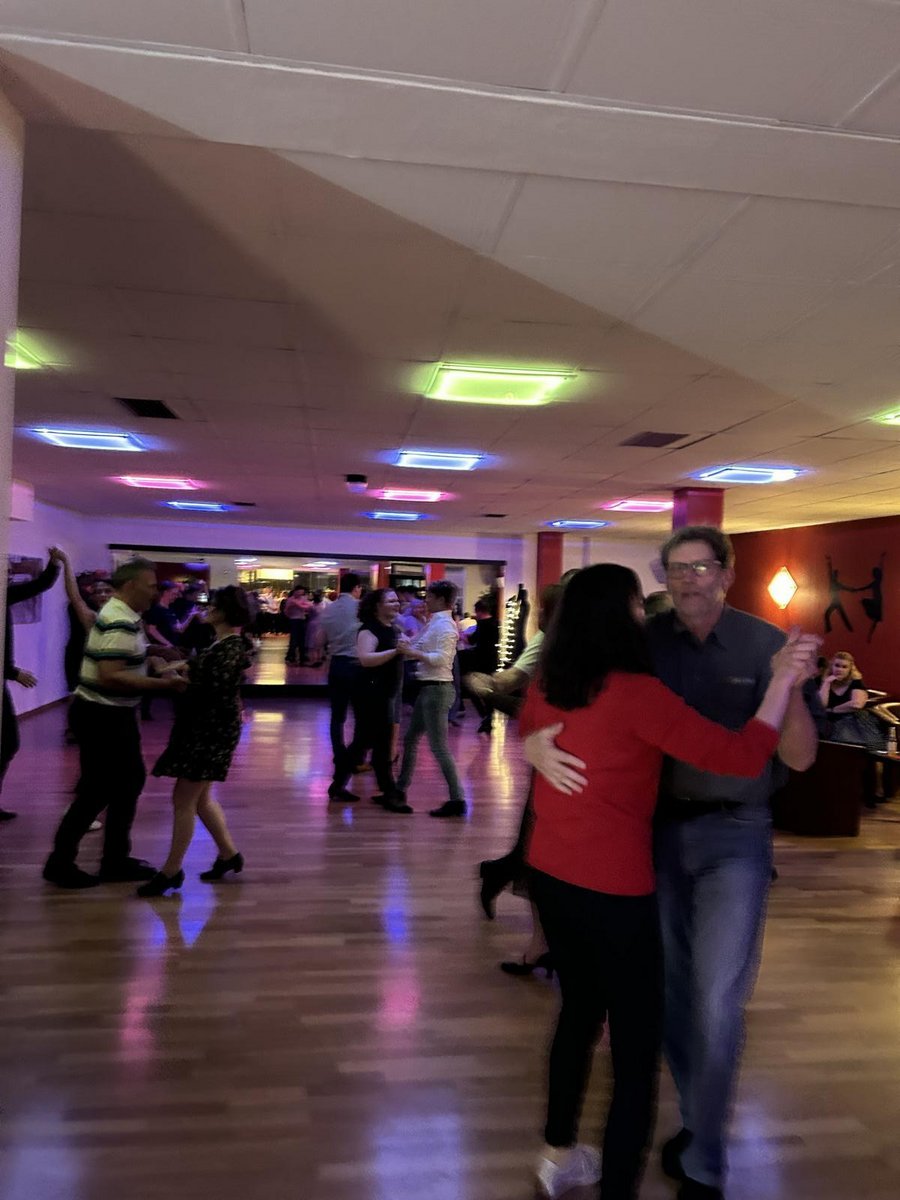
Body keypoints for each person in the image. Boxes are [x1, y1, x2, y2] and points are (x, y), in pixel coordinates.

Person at [524, 527, 819, 1200]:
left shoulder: (760, 644)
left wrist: (787, 683)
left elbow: (791, 759)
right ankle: (624, 1175)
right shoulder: (638, 666)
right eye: (670, 572)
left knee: (653, 1008)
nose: (683, 581)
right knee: (643, 1029)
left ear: (727, 572)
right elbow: (737, 753)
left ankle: (602, 1153)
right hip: (631, 860)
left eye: (699, 567)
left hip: (669, 849)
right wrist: (533, 745)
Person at [43, 558, 187, 889]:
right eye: (151, 586)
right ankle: (61, 863)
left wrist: (153, 651)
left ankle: (115, 860)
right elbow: (110, 675)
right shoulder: (120, 619)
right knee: (97, 791)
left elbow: (120, 656)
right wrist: (166, 685)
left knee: (127, 783)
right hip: (102, 714)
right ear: (131, 585)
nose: (155, 592)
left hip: (108, 713)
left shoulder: (123, 615)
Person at [138, 586, 253, 897]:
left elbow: (205, 693)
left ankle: (171, 871)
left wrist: (168, 676)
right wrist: (172, 671)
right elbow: (204, 680)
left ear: (223, 612)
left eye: (211, 605)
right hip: (209, 729)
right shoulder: (225, 644)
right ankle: (229, 854)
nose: (206, 608)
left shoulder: (229, 648)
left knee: (183, 800)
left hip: (209, 731)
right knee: (200, 798)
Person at [395, 580, 466, 818]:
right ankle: (400, 788)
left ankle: (457, 799)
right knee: (411, 739)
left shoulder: (444, 625)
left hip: (437, 689)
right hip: (430, 689)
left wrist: (412, 652)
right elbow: (418, 645)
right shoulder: (436, 622)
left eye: (431, 597)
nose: (426, 600)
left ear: (442, 600)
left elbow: (442, 659)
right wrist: (408, 647)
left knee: (438, 747)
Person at [1, 548, 61, 819]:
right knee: (7, 743)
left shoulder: (4, 596)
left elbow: (40, 585)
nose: (9, 574)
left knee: (8, 744)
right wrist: (12, 672)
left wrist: (55, 562)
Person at [346, 588, 408, 814]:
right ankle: (388, 792)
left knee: (370, 742)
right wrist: (395, 651)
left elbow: (400, 651)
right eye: (390, 601)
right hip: (369, 692)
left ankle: (341, 783)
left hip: (384, 693)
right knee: (372, 742)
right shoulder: (368, 630)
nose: (396, 604)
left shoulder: (393, 629)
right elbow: (366, 659)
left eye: (397, 601)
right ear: (377, 606)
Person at [316, 572, 364, 802]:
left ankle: (339, 753)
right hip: (358, 665)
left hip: (337, 664)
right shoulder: (361, 608)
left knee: (338, 717)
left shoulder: (329, 608)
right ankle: (352, 758)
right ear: (357, 588)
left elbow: (319, 640)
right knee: (362, 717)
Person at [459, 598, 501, 734]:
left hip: (480, 661)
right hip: (492, 660)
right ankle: (489, 717)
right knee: (488, 688)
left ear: (479, 611)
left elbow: (471, 641)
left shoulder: (482, 624)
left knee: (472, 687)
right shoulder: (496, 622)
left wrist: (460, 634)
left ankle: (485, 715)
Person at [284, 585, 313, 665]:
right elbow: (286, 611)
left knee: (302, 639)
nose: (301, 594)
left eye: (302, 592)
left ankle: (302, 656)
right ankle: (291, 656)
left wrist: (300, 605)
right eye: (300, 592)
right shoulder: (291, 599)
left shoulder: (302, 598)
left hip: (301, 619)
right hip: (294, 620)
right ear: (296, 591)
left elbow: (309, 606)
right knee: (294, 639)